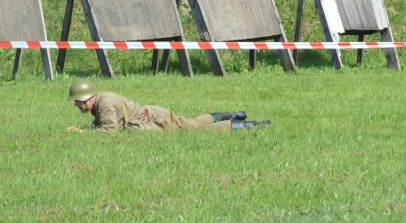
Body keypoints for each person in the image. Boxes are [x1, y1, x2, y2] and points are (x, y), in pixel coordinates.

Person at [66, 79, 271, 132]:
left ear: (89, 98)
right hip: (154, 115)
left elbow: (109, 131)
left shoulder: (105, 103)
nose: (77, 106)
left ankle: (254, 125)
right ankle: (234, 115)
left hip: (156, 120)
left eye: (78, 102)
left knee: (199, 130)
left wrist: (83, 134)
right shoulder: (102, 100)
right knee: (192, 123)